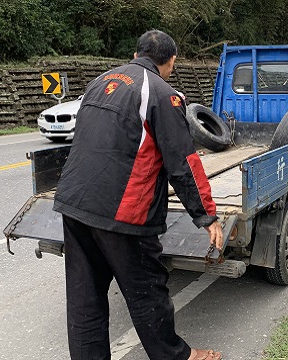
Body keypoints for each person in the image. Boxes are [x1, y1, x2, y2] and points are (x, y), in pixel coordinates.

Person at [53, 30, 223, 360]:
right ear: (171, 61)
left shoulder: (99, 81)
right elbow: (184, 163)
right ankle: (178, 356)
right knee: (147, 292)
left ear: (136, 54)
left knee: (84, 298)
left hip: (74, 203)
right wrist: (206, 216)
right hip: (123, 212)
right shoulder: (163, 93)